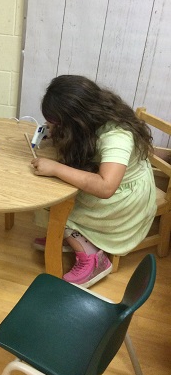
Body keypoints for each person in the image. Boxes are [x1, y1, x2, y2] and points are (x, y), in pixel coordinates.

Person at [31, 74, 156, 288]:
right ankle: (69, 235)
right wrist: (58, 133)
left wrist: (56, 168)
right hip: (114, 184)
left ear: (76, 119)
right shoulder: (94, 118)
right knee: (52, 193)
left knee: (60, 206)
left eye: (60, 122)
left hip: (125, 197)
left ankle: (92, 258)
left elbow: (106, 187)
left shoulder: (117, 136)